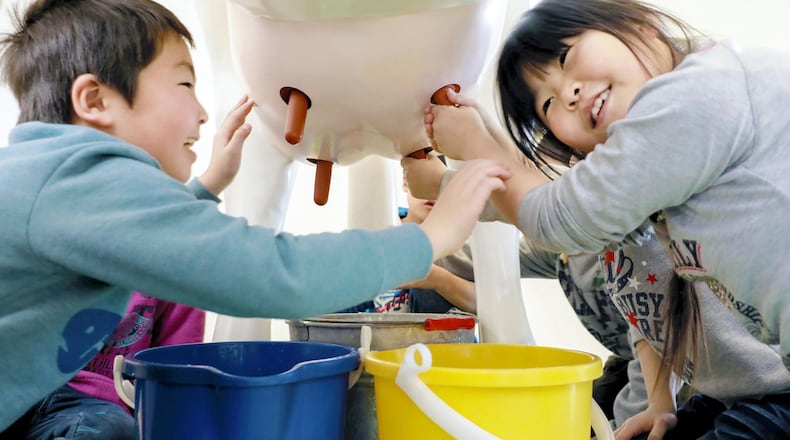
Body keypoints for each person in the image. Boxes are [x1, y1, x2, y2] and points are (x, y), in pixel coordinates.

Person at [0, 0, 511, 433]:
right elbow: (276, 273)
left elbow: (150, 241)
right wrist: (431, 237)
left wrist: (207, 189)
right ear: (95, 100)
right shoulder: (75, 179)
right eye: (184, 85)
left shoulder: (57, 180)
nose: (202, 112)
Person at [420, 0, 790, 438]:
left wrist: (471, 151)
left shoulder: (700, 91)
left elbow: (557, 215)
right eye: (548, 102)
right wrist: (661, 404)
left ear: (640, 23)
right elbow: (648, 309)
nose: (569, 93)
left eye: (565, 57)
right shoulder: (655, 184)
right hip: (738, 391)